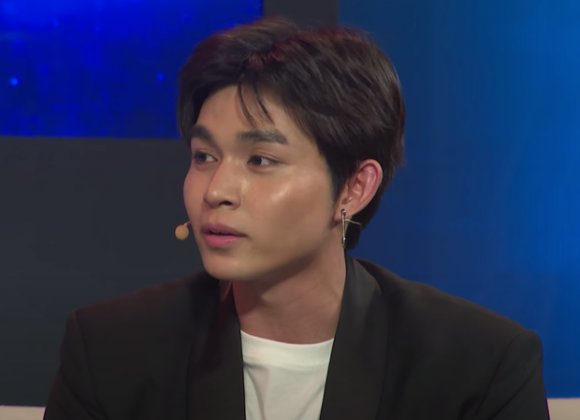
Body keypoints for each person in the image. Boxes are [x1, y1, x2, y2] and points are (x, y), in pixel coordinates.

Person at [43, 16, 549, 420]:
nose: (216, 191)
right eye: (204, 156)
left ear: (354, 187)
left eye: (261, 160)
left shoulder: (480, 366)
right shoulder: (112, 350)